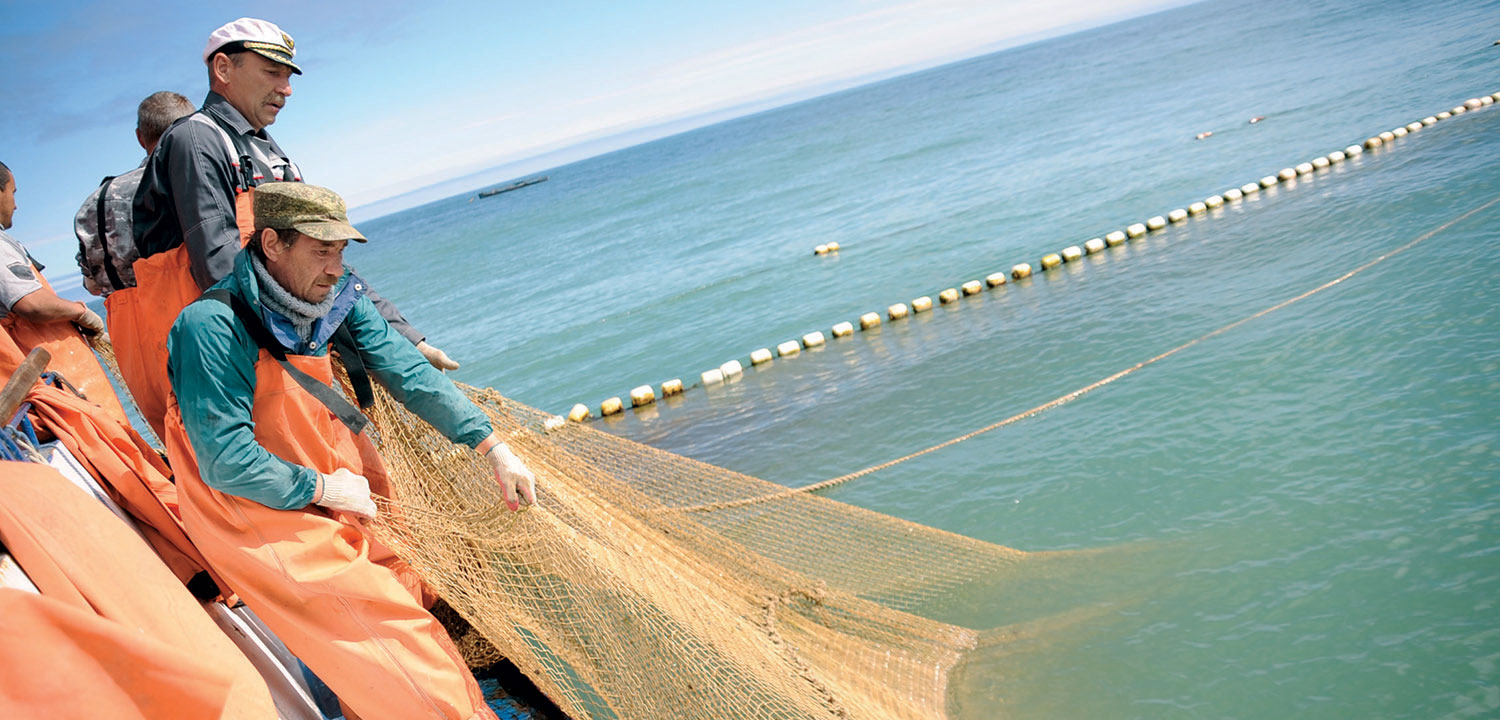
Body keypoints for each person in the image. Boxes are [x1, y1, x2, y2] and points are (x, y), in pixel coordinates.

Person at [165, 182, 536, 720]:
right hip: (254, 512)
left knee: (409, 593)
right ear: (272, 244)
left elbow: (405, 371)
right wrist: (319, 488)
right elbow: (224, 459)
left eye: (342, 251)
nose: (337, 267)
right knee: (390, 637)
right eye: (322, 250)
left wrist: (490, 443)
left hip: (331, 476)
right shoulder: (212, 326)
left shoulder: (332, 300)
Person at [122, 17, 458, 439]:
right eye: (272, 72)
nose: (287, 89)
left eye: (288, 76)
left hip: (283, 353)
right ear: (224, 69)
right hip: (232, 364)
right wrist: (314, 336)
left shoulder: (270, 152)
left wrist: (401, 335)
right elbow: (221, 267)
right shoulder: (196, 140)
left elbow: (323, 257)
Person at [0, 161, 128, 425]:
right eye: (13, 192)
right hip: (57, 384)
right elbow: (32, 304)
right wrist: (80, 313)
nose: (16, 204)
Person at [74, 91, 196, 299]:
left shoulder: (96, 202)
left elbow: (93, 284)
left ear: (140, 137)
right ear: (194, 129)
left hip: (133, 326)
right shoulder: (200, 176)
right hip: (204, 314)